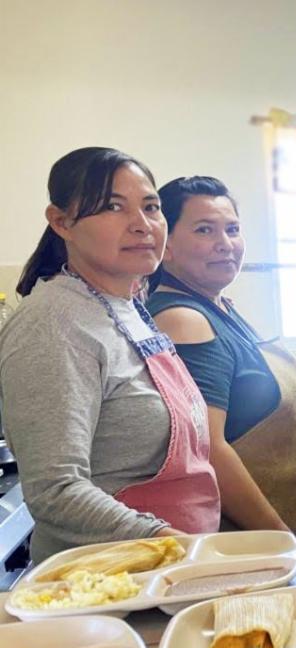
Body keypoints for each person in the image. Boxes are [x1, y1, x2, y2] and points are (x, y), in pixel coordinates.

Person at [0, 147, 219, 561]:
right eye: (113, 207)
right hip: (109, 582)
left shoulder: (131, 303)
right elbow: (55, 491)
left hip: (174, 567)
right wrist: (175, 546)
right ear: (61, 222)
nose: (142, 225)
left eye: (151, 207)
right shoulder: (54, 322)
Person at [147, 176, 296, 539]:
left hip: (281, 530)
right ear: (167, 244)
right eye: (205, 230)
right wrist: (281, 540)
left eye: (233, 229)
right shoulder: (183, 320)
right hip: (245, 541)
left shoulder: (218, 307)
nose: (225, 244)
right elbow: (206, 447)